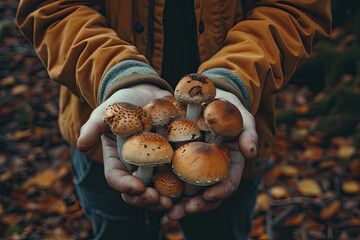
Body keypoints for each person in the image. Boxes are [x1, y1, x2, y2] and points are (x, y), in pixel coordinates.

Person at [16, 0, 331, 239]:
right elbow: (50, 8)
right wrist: (118, 75)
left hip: (231, 135)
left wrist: (234, 78)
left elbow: (297, 9)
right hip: (106, 133)